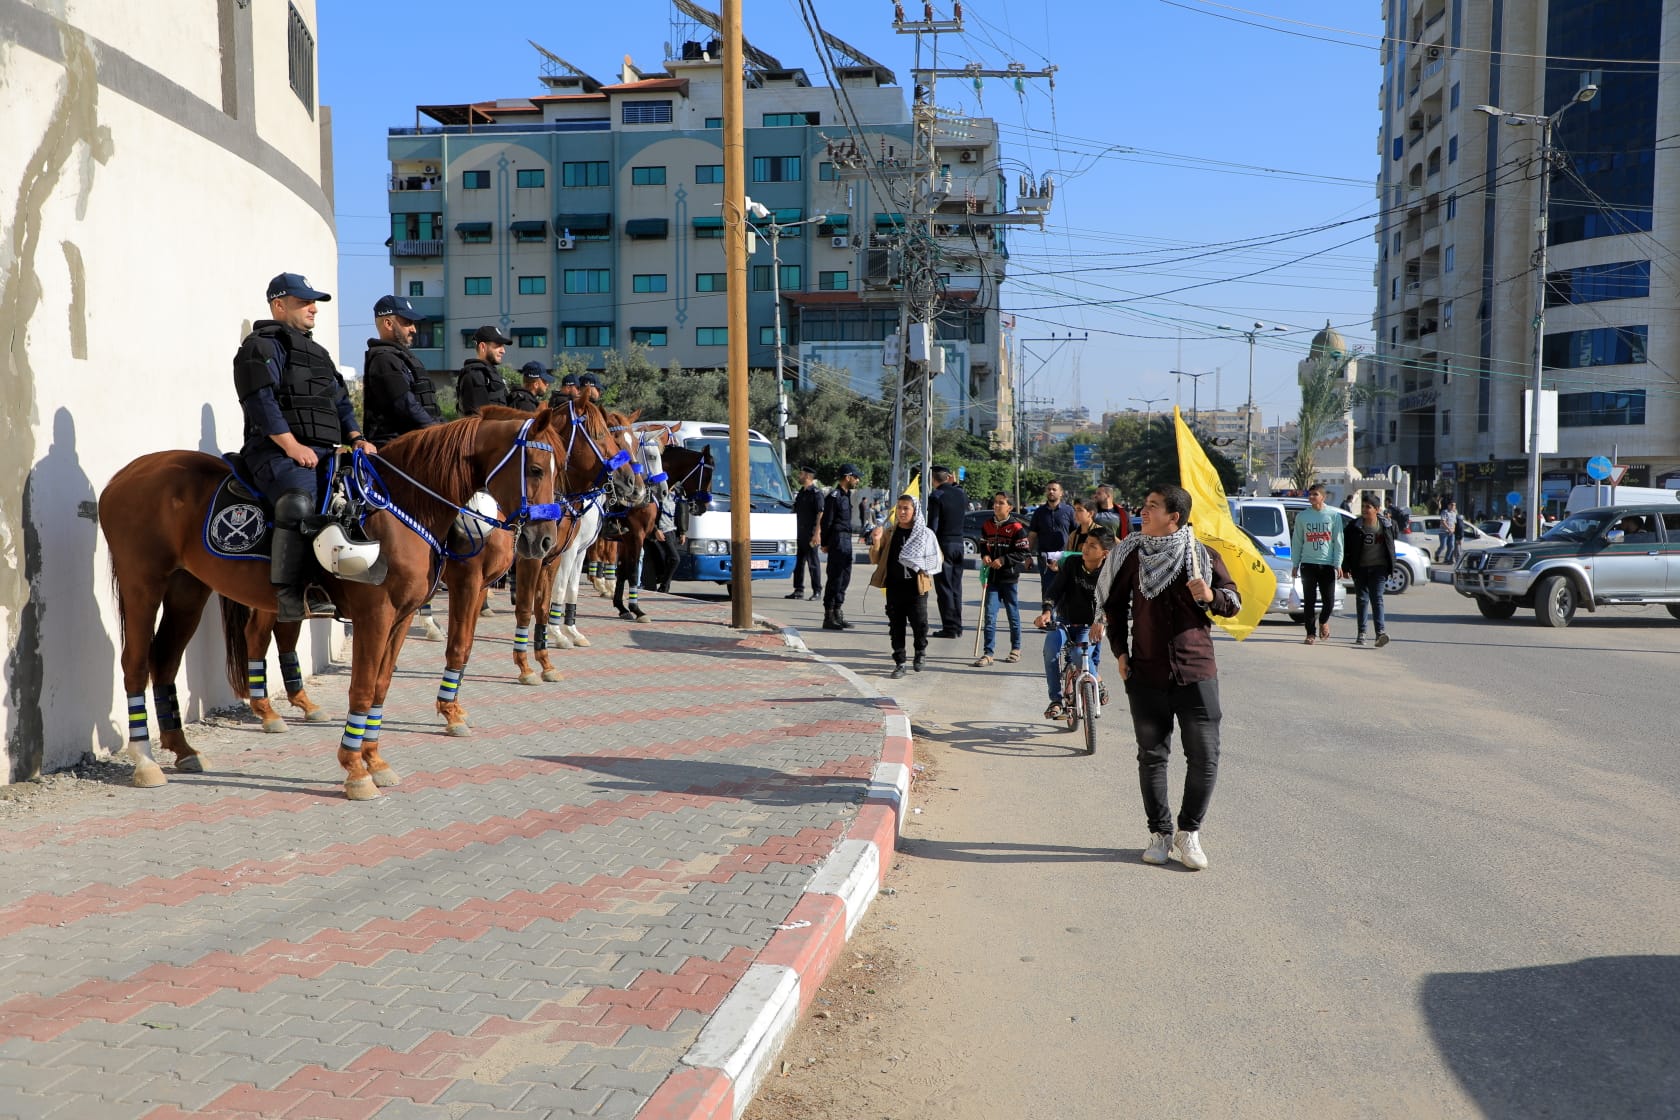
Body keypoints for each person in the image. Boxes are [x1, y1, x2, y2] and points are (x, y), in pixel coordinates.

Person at [1095, 484, 1240, 871]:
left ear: (1174, 517)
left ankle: (1188, 832)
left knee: (1205, 757)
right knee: (1152, 757)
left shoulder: (1202, 556)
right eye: (1145, 505)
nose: (1143, 511)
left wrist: (1210, 595)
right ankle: (1159, 833)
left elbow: (1233, 600)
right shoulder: (1133, 555)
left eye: (1152, 506)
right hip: (1147, 672)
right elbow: (1113, 603)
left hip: (1196, 671)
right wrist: (1120, 653)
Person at [233, 272, 375, 622]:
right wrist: (291, 445)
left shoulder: (319, 354)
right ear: (278, 305)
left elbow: (340, 403)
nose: (314, 308)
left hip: (323, 451)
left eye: (314, 302)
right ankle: (291, 594)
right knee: (299, 502)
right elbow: (260, 401)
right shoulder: (260, 347)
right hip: (273, 452)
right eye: (304, 302)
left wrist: (356, 438)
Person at [1033, 524, 1116, 720]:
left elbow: (1112, 601)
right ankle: (1055, 700)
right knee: (1050, 650)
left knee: (1079, 653)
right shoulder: (1071, 564)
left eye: (1093, 546)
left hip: (1091, 625)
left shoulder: (1110, 573)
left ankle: (1097, 681)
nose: (1086, 548)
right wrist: (1046, 612)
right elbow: (1054, 590)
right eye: (1086, 543)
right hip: (1064, 621)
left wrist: (1101, 620)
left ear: (1104, 553)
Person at [869, 494, 943, 678]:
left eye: (906, 508)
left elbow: (937, 558)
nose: (901, 512)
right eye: (899, 508)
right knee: (896, 626)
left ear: (914, 511)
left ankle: (920, 652)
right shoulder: (890, 532)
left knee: (920, 624)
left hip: (916, 588)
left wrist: (923, 565)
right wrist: (876, 540)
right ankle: (900, 662)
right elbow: (875, 559)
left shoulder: (924, 534)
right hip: (894, 587)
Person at [360, 294, 441, 447]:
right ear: (388, 323)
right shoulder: (383, 360)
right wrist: (440, 432)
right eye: (407, 322)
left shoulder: (401, 358)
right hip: (394, 450)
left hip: (415, 443)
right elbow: (406, 405)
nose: (414, 329)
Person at [972, 491, 1029, 667]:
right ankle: (988, 653)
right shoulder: (987, 525)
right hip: (992, 578)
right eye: (995, 502)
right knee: (989, 615)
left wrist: (1003, 560)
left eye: (1001, 503)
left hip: (1009, 578)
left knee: (1012, 614)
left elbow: (1023, 553)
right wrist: (985, 556)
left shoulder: (1017, 528)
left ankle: (1016, 649)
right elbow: (983, 544)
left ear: (1009, 507)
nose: (996, 506)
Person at [1289, 483, 1344, 644]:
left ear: (1323, 497)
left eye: (1315, 494)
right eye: (1310, 494)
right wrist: (1295, 563)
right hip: (1308, 564)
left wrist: (1338, 563)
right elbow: (1297, 541)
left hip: (1327, 565)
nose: (1311, 497)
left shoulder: (1333, 516)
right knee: (1309, 601)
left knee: (1329, 601)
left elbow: (1338, 542)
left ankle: (1323, 621)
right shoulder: (1303, 517)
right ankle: (1310, 634)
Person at [1340, 496, 1396, 647]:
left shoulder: (1387, 525)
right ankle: (1362, 633)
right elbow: (1347, 549)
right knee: (1362, 600)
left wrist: (1391, 566)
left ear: (1377, 510)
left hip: (1379, 568)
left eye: (1368, 507)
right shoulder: (1354, 526)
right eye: (1363, 506)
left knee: (1377, 599)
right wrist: (1345, 568)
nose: (1365, 509)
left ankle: (1380, 634)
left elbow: (1391, 544)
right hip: (1360, 568)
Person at [925, 465, 969, 637]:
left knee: (944, 588)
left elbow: (933, 525)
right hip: (960, 544)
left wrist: (928, 546)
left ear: (933, 480)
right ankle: (957, 626)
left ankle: (950, 627)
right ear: (949, 477)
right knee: (956, 587)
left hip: (943, 545)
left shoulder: (936, 496)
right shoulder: (960, 493)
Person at [819, 464, 861, 630]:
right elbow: (827, 522)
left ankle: (838, 612)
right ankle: (828, 616)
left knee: (845, 577)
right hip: (837, 540)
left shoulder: (846, 496)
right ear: (847, 477)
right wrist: (825, 543)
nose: (857, 480)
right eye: (856, 477)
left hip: (846, 540)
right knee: (835, 577)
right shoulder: (834, 496)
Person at [1027, 480, 1077, 612]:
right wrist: (1027, 555)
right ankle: (1048, 618)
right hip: (1045, 557)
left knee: (1066, 588)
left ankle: (1064, 619)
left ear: (1061, 493)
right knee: (1048, 588)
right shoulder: (1039, 512)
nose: (1051, 492)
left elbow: (1076, 533)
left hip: (1065, 557)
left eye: (1054, 489)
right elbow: (1032, 535)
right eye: (1049, 489)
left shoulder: (1069, 511)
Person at [456, 326, 512, 415]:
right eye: (498, 346)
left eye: (503, 346)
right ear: (483, 347)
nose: (503, 351)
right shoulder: (474, 375)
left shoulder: (492, 374)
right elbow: (478, 420)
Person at [788, 465, 823, 601]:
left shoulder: (816, 493)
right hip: (799, 533)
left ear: (808, 476)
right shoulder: (801, 492)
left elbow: (821, 513)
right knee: (799, 563)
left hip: (810, 533)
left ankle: (817, 590)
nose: (799, 476)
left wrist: (817, 533)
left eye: (801, 474)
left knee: (813, 563)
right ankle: (798, 590)